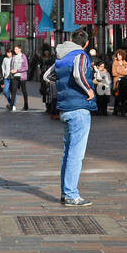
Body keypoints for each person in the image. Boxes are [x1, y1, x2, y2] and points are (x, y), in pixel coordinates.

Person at [48, 29, 97, 206]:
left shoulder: (61, 56)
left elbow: (48, 76)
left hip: (65, 108)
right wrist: (88, 89)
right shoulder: (81, 55)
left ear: (70, 39)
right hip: (79, 108)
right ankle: (71, 194)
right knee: (76, 154)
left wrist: (64, 88)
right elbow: (78, 74)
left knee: (68, 153)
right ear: (85, 43)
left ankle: (65, 191)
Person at [8, 45, 31, 111]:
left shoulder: (23, 56)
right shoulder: (14, 57)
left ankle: (26, 105)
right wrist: (12, 70)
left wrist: (17, 70)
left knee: (24, 91)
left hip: (22, 76)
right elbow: (11, 66)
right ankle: (11, 106)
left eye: (16, 49)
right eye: (15, 49)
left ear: (20, 49)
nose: (15, 50)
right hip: (15, 76)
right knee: (13, 91)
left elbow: (26, 67)